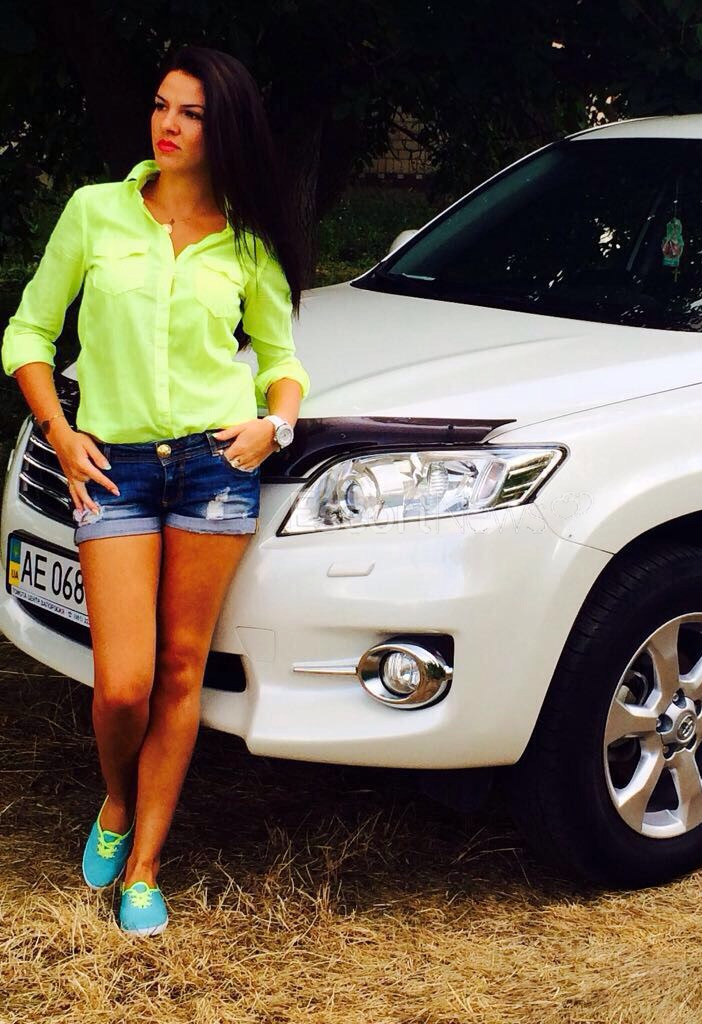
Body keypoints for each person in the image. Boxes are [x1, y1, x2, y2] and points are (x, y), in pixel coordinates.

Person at [1, 45, 311, 936]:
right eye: (161, 105)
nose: (168, 125)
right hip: (115, 469)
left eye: (191, 114)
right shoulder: (94, 213)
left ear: (224, 130)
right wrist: (59, 431)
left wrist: (275, 425)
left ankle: (144, 866)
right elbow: (27, 332)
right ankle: (115, 798)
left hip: (216, 469)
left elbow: (282, 360)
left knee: (182, 669)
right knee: (124, 685)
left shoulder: (245, 241)